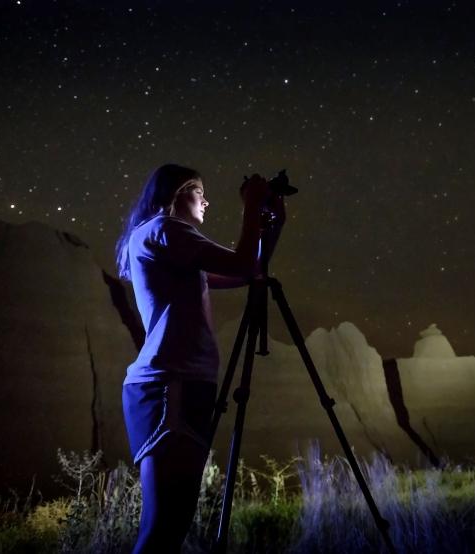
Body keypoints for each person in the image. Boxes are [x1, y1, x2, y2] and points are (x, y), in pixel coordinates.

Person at [114, 164, 284, 553]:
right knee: (163, 526)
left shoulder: (170, 241)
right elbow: (242, 265)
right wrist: (252, 206)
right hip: (169, 387)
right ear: (174, 195)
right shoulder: (166, 230)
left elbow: (247, 271)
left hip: (180, 385)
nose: (206, 200)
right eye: (198, 191)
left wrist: (271, 224)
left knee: (171, 526)